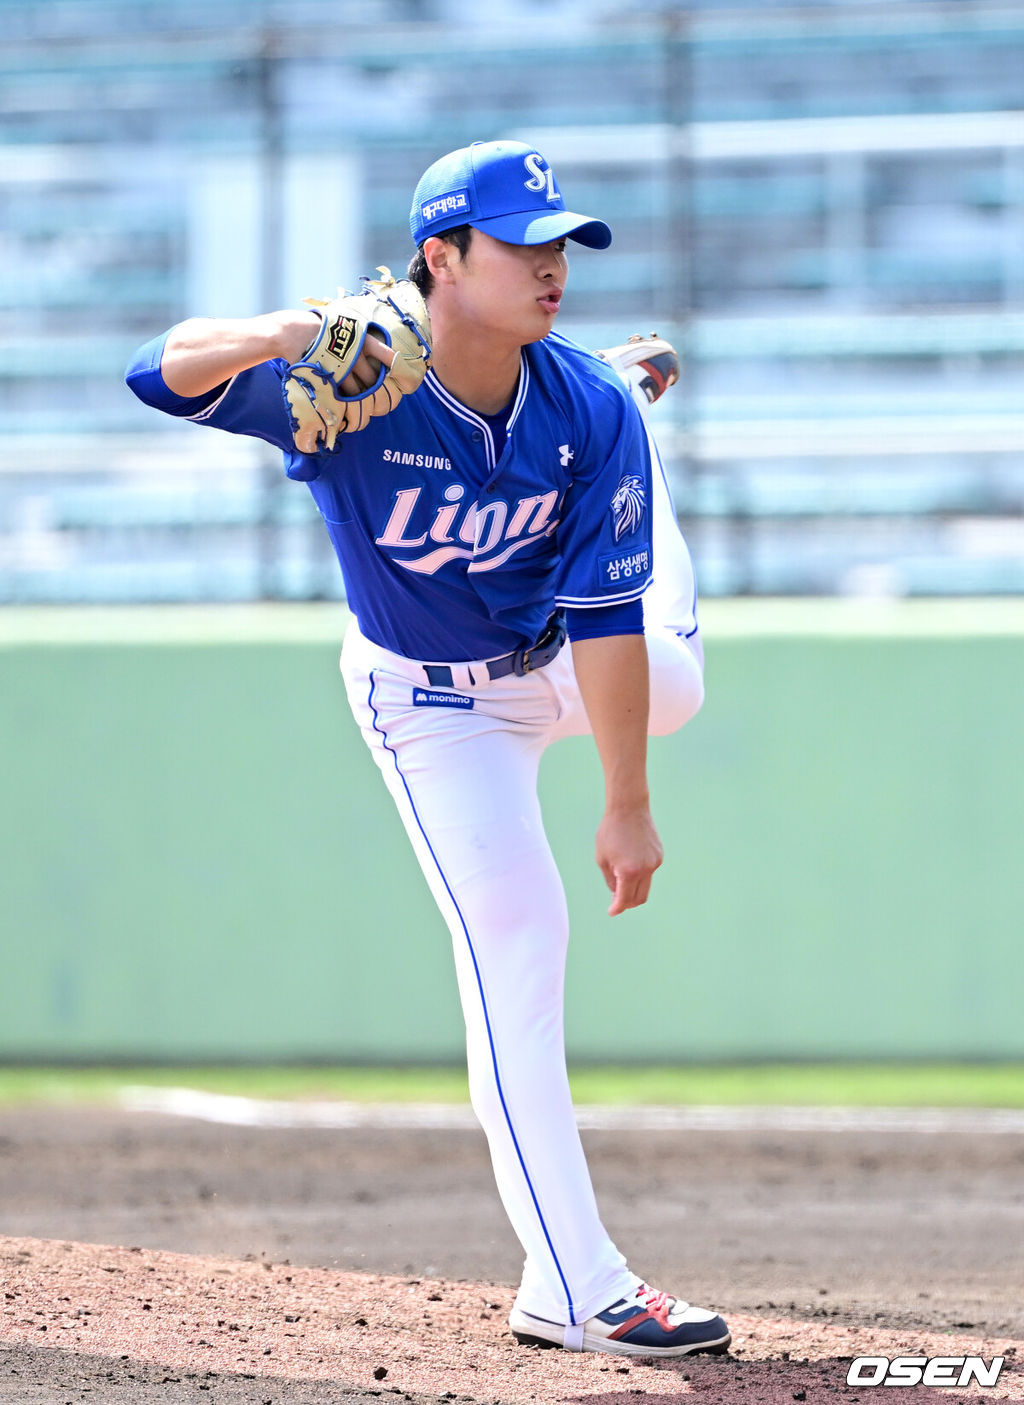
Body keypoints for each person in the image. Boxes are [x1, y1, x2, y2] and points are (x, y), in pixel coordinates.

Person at [125, 139, 729, 1360]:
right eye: (521, 245)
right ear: (439, 258)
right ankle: (575, 1285)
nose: (552, 264)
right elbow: (156, 374)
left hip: (557, 650)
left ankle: (632, 466)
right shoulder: (359, 383)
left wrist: (627, 805)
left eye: (561, 245)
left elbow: (611, 616)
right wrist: (292, 331)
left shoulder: (581, 404)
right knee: (521, 937)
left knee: (673, 685)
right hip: (432, 705)